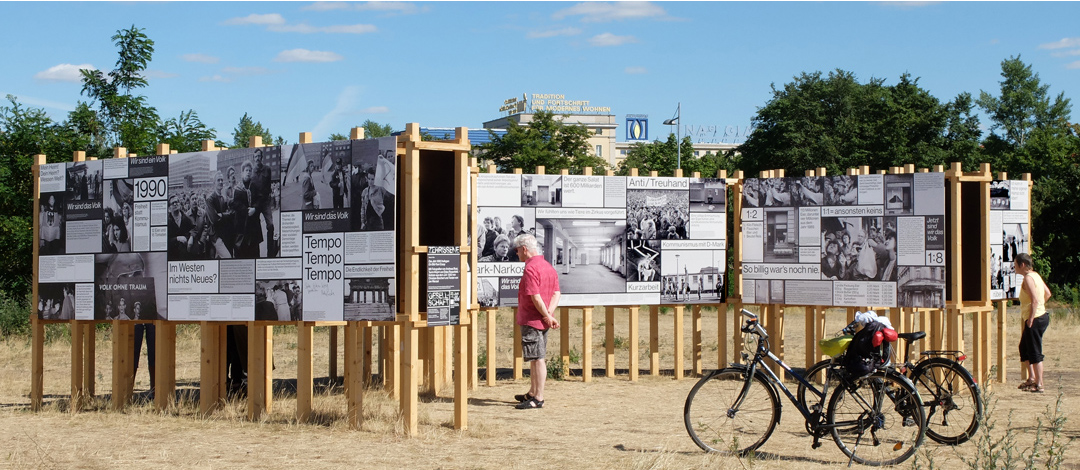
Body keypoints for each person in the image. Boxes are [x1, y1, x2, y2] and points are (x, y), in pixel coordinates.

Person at [511, 233, 560, 410]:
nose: (517, 254)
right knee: (534, 357)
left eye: (517, 250)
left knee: (538, 358)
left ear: (524, 249)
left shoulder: (530, 268)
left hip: (532, 319)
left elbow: (535, 297)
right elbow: (556, 293)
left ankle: (538, 398)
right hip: (543, 319)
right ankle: (532, 392)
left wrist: (547, 315)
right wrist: (550, 314)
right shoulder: (548, 267)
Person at [1016, 253, 1052, 393]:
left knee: (1035, 352)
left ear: (1022, 265)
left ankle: (1039, 384)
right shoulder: (1036, 275)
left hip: (1035, 319)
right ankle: (1031, 378)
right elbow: (1047, 293)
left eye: (1015, 265)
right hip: (1041, 316)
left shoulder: (1028, 279)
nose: (1014, 268)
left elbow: (1035, 300)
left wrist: (1031, 318)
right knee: (1023, 348)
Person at [250, 149, 276, 256]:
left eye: (259, 156)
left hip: (265, 202)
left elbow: (268, 187)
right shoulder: (251, 173)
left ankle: (270, 253)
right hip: (256, 204)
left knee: (270, 225)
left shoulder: (267, 169)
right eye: (255, 157)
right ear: (253, 158)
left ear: (262, 157)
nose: (257, 159)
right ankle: (256, 254)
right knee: (255, 229)